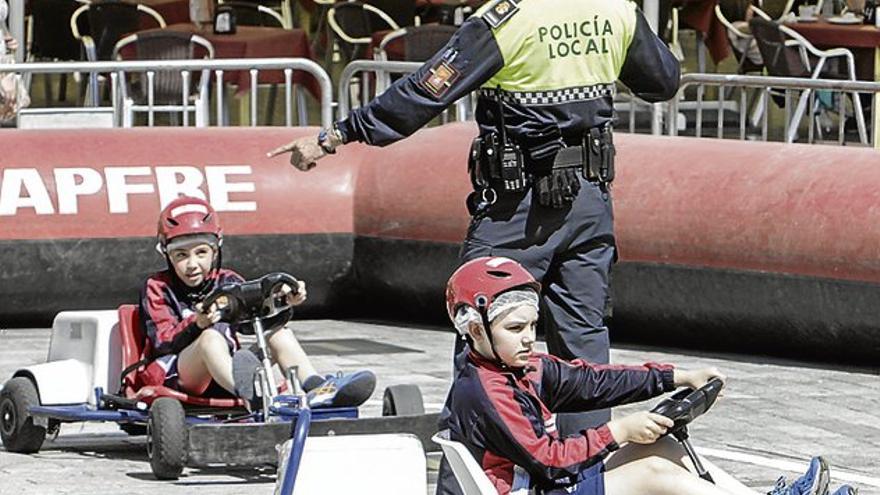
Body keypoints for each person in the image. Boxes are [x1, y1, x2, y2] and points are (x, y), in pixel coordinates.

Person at [268, 0, 680, 437]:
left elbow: (425, 92)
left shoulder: (509, 19)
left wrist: (335, 135)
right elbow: (662, 81)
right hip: (589, 201)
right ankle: (587, 473)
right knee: (583, 344)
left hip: (517, 210)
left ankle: (476, 471)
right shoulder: (614, 9)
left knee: (483, 337)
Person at [440, 256, 858, 495]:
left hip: (552, 485)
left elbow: (595, 381)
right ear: (474, 329)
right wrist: (619, 431)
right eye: (515, 330)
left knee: (664, 449)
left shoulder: (525, 368)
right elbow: (548, 460)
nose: (529, 339)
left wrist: (677, 376)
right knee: (650, 474)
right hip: (536, 490)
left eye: (532, 326)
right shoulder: (484, 392)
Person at [137, 195, 376, 408]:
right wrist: (197, 324)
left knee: (279, 333)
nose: (192, 264)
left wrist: (284, 300)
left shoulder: (227, 280)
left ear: (215, 251)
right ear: (167, 254)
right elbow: (162, 341)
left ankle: (316, 388)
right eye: (181, 255)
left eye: (201, 253)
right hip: (181, 376)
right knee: (210, 338)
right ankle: (253, 397)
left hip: (228, 369)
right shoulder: (158, 287)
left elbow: (253, 320)